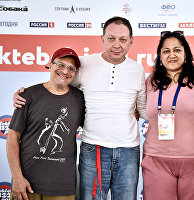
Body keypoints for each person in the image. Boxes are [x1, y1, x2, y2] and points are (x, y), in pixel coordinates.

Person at [13, 16, 147, 200]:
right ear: (102, 39)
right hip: (93, 148)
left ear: (131, 41)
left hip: (128, 150)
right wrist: (25, 95)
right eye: (111, 38)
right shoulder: (84, 64)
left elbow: (144, 108)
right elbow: (59, 84)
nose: (117, 44)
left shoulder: (138, 70)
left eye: (123, 39)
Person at [141, 31, 194, 200]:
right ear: (159, 55)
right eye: (166, 51)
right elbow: (138, 109)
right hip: (156, 160)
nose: (171, 55)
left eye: (177, 50)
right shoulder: (150, 81)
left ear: (186, 53)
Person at [7, 48, 85, 200]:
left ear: (75, 73)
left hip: (62, 188)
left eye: (71, 68)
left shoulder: (80, 99)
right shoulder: (27, 96)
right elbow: (12, 138)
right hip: (26, 185)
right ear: (50, 65)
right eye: (60, 65)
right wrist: (17, 178)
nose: (65, 71)